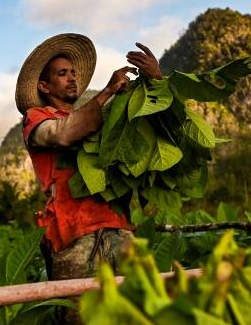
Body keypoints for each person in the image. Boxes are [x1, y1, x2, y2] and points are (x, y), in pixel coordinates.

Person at [15, 33, 162, 280]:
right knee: (80, 316)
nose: (72, 77)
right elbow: (62, 134)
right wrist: (108, 90)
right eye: (62, 74)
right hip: (73, 235)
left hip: (120, 229)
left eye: (73, 72)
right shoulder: (36, 118)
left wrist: (156, 80)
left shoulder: (100, 117)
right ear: (44, 86)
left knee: (137, 311)